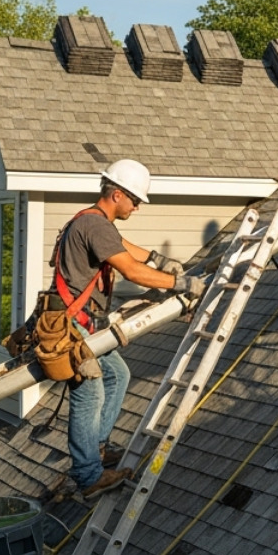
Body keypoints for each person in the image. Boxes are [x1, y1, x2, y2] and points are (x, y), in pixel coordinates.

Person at [47, 159, 205, 500]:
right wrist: (181, 282)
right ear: (117, 194)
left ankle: (98, 451)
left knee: (116, 375)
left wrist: (158, 260)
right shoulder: (95, 226)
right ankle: (88, 475)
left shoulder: (94, 222)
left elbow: (123, 248)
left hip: (82, 323)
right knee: (89, 391)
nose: (137, 207)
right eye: (134, 200)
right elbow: (131, 270)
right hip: (74, 325)